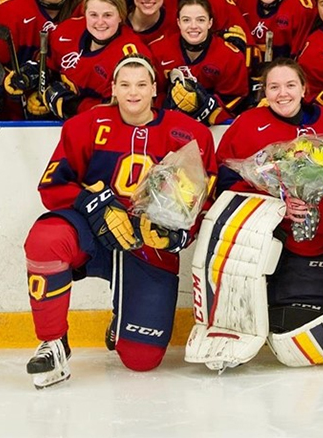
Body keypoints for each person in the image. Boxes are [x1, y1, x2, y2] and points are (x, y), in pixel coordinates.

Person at [24, 54, 217, 386]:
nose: (133, 93)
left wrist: (179, 237)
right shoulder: (84, 125)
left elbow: (205, 202)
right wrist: (95, 204)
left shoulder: (190, 134)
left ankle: (124, 315)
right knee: (46, 239)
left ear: (156, 89)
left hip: (147, 243)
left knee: (142, 359)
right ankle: (53, 344)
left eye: (142, 84)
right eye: (125, 85)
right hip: (92, 232)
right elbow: (53, 186)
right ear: (112, 88)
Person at [215, 59, 323, 367]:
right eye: (274, 87)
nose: (282, 94)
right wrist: (277, 200)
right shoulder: (247, 124)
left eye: (290, 85)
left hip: (316, 243)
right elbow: (225, 183)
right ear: (264, 91)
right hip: (261, 237)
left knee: (300, 336)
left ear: (305, 89)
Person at [42, 0, 156, 119]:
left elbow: (129, 108)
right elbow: (48, 68)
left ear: (120, 16)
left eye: (107, 15)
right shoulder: (66, 30)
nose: (100, 22)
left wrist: (72, 106)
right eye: (93, 15)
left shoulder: (132, 55)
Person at [151, 0, 248, 124]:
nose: (193, 26)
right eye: (186, 20)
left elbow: (235, 101)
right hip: (168, 122)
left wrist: (206, 106)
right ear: (178, 22)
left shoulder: (231, 56)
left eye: (200, 20)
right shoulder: (158, 49)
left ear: (210, 23)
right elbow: (152, 93)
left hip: (214, 125)